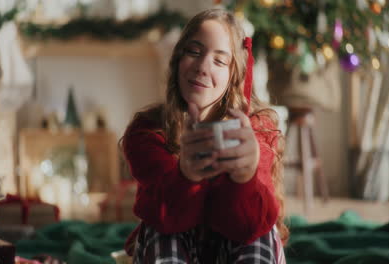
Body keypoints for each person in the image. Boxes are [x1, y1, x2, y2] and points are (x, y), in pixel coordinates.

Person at [121, 8, 288, 264]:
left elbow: (249, 225)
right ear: (177, 60)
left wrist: (244, 177)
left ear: (234, 76)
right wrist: (187, 175)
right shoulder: (148, 130)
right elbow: (165, 216)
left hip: (237, 240)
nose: (201, 67)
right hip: (174, 240)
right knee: (159, 228)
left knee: (260, 233)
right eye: (194, 52)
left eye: (220, 61)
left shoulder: (257, 130)